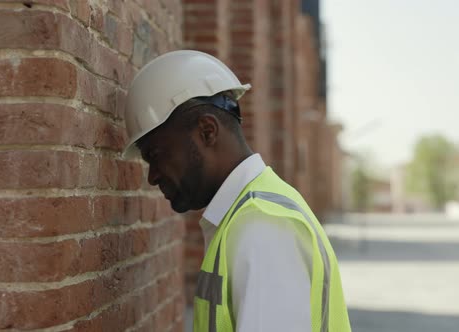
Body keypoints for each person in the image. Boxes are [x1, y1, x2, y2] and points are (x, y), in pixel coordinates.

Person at [123, 50, 351, 332]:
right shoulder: (247, 215)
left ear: (207, 131)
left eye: (156, 154)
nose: (153, 176)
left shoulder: (262, 227)